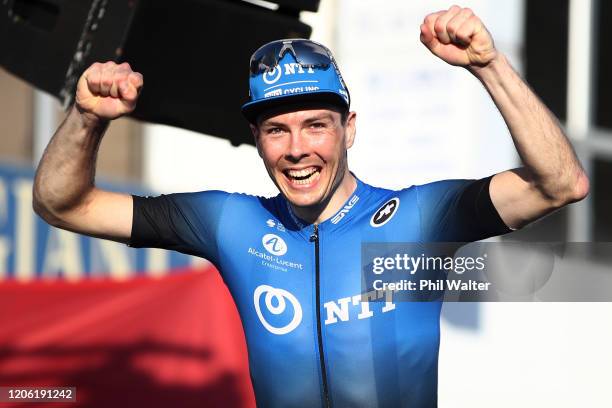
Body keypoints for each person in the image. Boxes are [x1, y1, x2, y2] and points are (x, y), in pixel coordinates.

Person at [33, 6, 588, 408]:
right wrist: (87, 118)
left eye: (315, 126)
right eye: (277, 130)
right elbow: (64, 205)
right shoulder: (230, 223)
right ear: (256, 137)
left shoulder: (421, 218)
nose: (296, 149)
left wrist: (488, 65)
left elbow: (560, 183)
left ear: (349, 129)